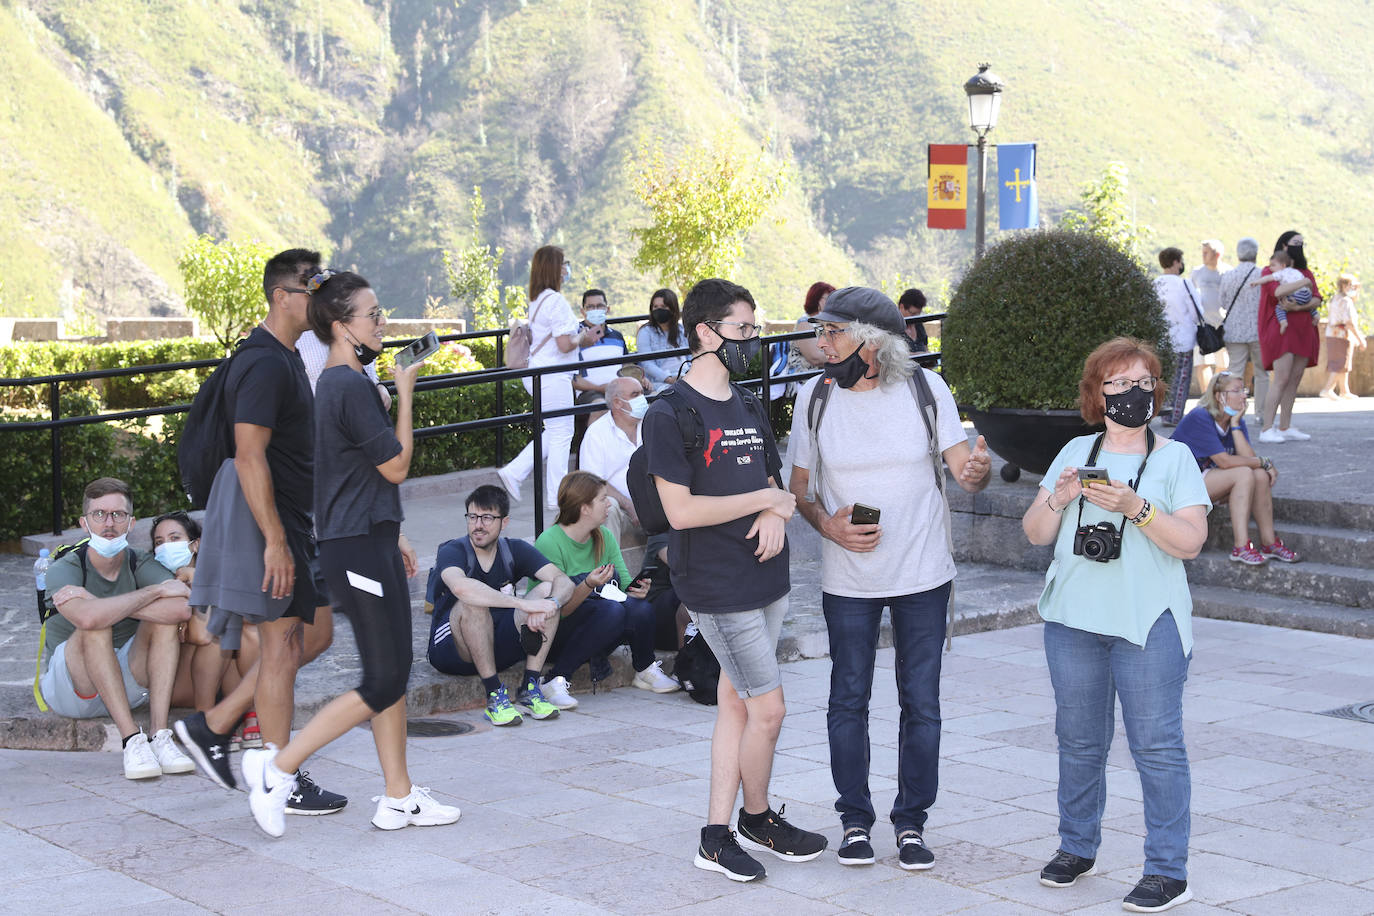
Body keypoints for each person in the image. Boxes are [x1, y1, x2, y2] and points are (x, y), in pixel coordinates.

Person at [240, 269, 460, 838]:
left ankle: (398, 796)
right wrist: (405, 393)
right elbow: (396, 465)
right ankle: (278, 770)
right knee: (384, 679)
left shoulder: (349, 383)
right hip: (356, 548)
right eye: (372, 315)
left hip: (368, 539)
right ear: (342, 327)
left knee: (387, 670)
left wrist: (394, 533)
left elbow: (361, 473)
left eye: (381, 312)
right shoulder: (345, 383)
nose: (382, 323)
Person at [787, 287, 991, 870]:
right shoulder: (815, 398)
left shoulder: (927, 390)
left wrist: (975, 471)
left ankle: (911, 823)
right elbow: (799, 491)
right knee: (847, 698)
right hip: (848, 578)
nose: (821, 344)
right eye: (820, 332)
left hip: (924, 573)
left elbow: (964, 473)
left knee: (920, 702)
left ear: (871, 343)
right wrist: (829, 526)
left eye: (833, 332)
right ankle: (855, 821)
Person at [642, 277, 826, 883]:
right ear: (705, 331)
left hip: (767, 576)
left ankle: (731, 828)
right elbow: (682, 513)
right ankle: (740, 824)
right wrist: (765, 501)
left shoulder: (746, 402)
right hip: (717, 583)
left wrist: (775, 511)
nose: (752, 339)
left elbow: (776, 482)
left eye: (754, 328)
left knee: (735, 703)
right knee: (767, 709)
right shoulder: (668, 414)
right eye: (742, 329)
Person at [1021, 337, 1209, 914]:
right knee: (1078, 742)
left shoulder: (1174, 458)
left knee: (1156, 746)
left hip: (1147, 621)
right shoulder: (1076, 450)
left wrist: (1136, 508)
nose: (1133, 392)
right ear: (1096, 394)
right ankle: (1077, 847)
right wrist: (1060, 496)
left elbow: (1192, 543)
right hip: (1074, 620)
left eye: (1143, 381)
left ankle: (1167, 871)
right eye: (1119, 383)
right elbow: (1035, 533)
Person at [176, 249, 347, 815]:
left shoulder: (290, 356)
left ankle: (216, 727)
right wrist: (275, 539)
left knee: (311, 636)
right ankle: (278, 776)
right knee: (280, 645)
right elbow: (249, 456)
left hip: (294, 518)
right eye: (311, 288)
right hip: (268, 521)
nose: (319, 299)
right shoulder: (264, 362)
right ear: (282, 296)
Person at [39, 477, 195, 779]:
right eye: (99, 514)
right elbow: (87, 619)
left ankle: (159, 736)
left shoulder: (138, 562)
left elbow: (182, 607)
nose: (108, 523)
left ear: (131, 522)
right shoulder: (66, 567)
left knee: (163, 624)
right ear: (84, 523)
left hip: (123, 680)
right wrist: (153, 593)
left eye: (118, 515)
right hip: (72, 687)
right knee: (94, 627)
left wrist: (98, 601)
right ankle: (131, 740)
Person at [427, 485, 576, 722]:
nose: (478, 525)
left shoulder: (513, 549)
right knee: (472, 602)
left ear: (504, 522)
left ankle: (530, 687)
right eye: (473, 517)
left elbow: (564, 581)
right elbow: (460, 587)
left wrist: (551, 603)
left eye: (487, 518)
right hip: (454, 649)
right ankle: (495, 695)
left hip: (497, 643)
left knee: (548, 590)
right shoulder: (453, 550)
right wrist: (524, 605)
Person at [535, 470, 681, 695]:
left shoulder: (603, 535)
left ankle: (645, 670)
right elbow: (555, 610)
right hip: (553, 633)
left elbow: (622, 586)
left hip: (600, 623)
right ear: (584, 508)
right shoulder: (550, 542)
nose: (609, 506)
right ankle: (556, 678)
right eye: (602, 500)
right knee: (611, 611)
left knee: (640, 608)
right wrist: (587, 585)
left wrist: (636, 590)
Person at [498, 246, 597, 511]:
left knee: (554, 432)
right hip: (553, 376)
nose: (566, 269)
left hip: (540, 373)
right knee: (563, 433)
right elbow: (564, 344)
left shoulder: (538, 299)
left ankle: (515, 471)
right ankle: (555, 496)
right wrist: (583, 337)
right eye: (564, 264)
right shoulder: (555, 300)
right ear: (554, 268)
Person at [154, 511, 260, 748]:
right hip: (182, 680)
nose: (166, 547)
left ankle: (247, 709)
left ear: (195, 545)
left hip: (221, 675)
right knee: (217, 634)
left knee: (245, 629)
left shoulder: (214, 571)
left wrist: (200, 579)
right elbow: (200, 634)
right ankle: (209, 719)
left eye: (174, 539)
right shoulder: (158, 580)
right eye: (159, 543)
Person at [1171, 372, 1297, 566]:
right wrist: (1265, 461)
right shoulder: (1200, 416)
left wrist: (1236, 425)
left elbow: (1249, 458)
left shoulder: (1234, 420)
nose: (1244, 396)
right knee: (1245, 473)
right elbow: (1225, 462)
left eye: (1244, 390)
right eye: (1236, 391)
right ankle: (1240, 547)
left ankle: (1269, 543)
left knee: (1260, 476)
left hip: (1206, 480)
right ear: (1219, 396)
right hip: (1178, 488)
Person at [1257, 230, 1321, 444]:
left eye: (1302, 242)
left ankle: (1285, 426)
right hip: (1281, 332)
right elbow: (1277, 293)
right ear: (1284, 246)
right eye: (1295, 243)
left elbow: (1316, 299)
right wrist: (1303, 285)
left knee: (1294, 380)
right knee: (1281, 379)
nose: (1299, 246)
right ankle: (1267, 428)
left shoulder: (1305, 271)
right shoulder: (1271, 269)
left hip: (1303, 332)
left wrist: (1298, 305)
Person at [1217, 238, 1268, 425]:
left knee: (1235, 372)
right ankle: (1261, 414)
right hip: (1258, 331)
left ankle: (1232, 412)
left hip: (1234, 331)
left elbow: (1222, 302)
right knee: (1262, 373)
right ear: (1255, 253)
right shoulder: (1262, 274)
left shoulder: (1228, 275)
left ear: (1238, 254)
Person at [1153, 247, 1201, 425]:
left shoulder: (1155, 284)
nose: (1182, 265)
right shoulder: (1184, 284)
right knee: (1182, 379)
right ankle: (1174, 416)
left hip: (1163, 338)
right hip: (1184, 337)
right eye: (1180, 261)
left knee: (1163, 377)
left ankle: (1162, 411)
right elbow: (1196, 313)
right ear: (1175, 262)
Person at [1190, 240, 1230, 392]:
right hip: (1203, 324)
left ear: (1217, 254)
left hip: (1222, 324)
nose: (1203, 255)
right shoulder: (1197, 272)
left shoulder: (1228, 272)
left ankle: (1214, 392)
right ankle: (1206, 395)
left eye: (1206, 253)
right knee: (1202, 363)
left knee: (1223, 363)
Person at [1318, 274, 1365, 400]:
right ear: (1344, 286)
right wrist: (1360, 339)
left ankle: (1344, 390)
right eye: (1352, 286)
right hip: (1341, 334)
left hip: (1333, 334)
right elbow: (1349, 322)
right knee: (1340, 363)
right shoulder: (1345, 301)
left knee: (1344, 363)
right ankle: (1327, 389)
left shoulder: (1336, 298)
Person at [1249, 249, 1312, 335]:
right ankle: (1315, 315)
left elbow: (1268, 279)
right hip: (1306, 294)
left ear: (1283, 265)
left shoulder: (1280, 273)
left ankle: (1283, 322)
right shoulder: (1296, 271)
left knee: (1280, 307)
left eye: (1273, 265)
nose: (1270, 268)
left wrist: (1256, 282)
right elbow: (1307, 283)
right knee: (1309, 304)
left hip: (1296, 295)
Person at [636, 288, 688, 390]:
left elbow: (691, 357)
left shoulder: (682, 330)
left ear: (673, 309)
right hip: (660, 381)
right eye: (655, 307)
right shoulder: (645, 332)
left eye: (663, 306)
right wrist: (669, 379)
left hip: (685, 376)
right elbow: (647, 364)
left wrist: (689, 376)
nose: (659, 310)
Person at [789, 281, 833, 372]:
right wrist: (843, 357)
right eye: (829, 298)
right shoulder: (804, 323)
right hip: (803, 378)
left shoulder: (826, 323)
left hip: (822, 375)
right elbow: (815, 358)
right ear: (817, 300)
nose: (833, 303)